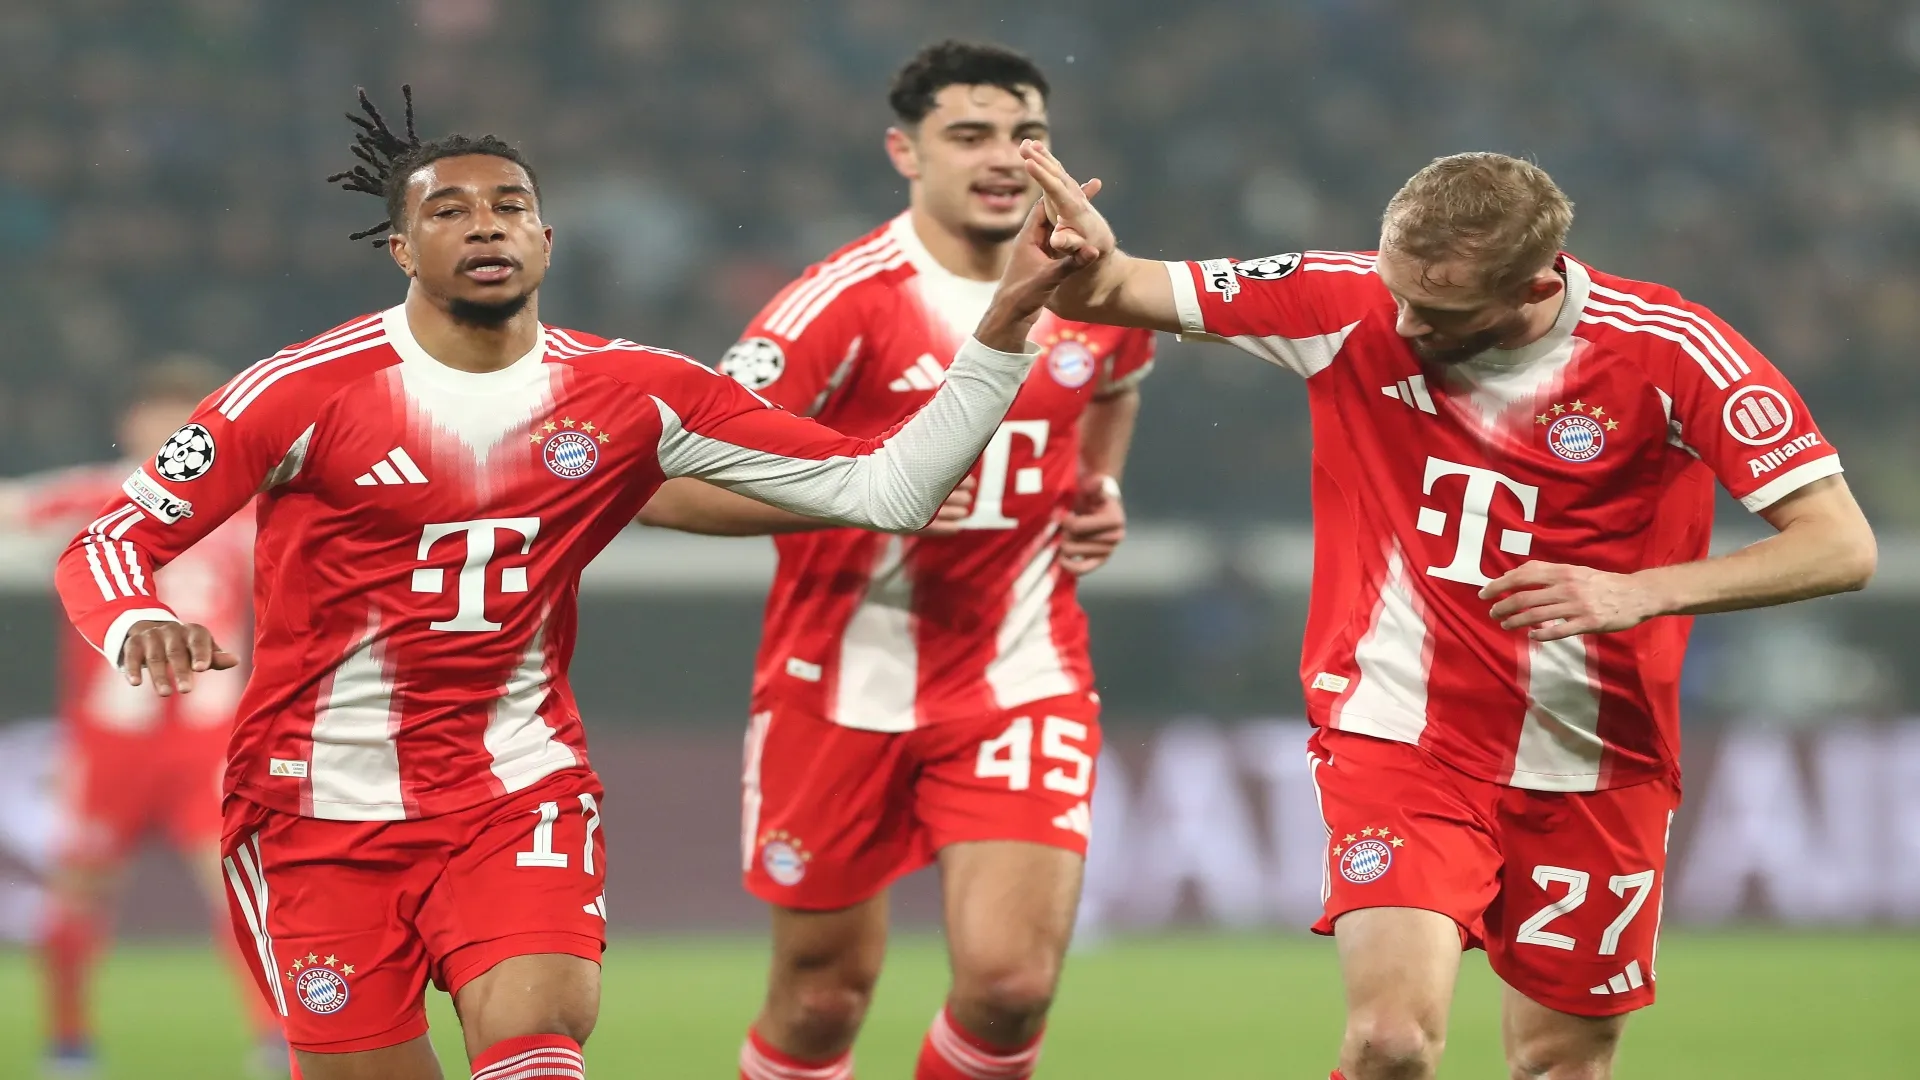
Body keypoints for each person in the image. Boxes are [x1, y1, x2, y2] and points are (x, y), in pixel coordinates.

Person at [50, 86, 1104, 1080]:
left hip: (515, 789)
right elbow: (106, 543)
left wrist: (1004, 324)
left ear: (547, 239)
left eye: (511, 205)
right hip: (315, 812)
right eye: (451, 210)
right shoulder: (300, 393)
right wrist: (135, 611)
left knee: (539, 1024)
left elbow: (887, 486)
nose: (487, 225)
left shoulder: (634, 392)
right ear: (400, 248)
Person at [1020, 143, 1877, 1080]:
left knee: (1563, 1064)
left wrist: (1644, 590)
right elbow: (1105, 294)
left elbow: (1840, 544)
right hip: (1400, 735)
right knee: (1391, 1043)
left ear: (1535, 282)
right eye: (1398, 290)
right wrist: (1086, 258)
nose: (1406, 321)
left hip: (1600, 757)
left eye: (1442, 310)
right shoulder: (1342, 299)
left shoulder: (1669, 350)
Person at [637, 41, 1154, 1080]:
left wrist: (1099, 488)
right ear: (905, 153)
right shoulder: (838, 305)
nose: (1005, 159)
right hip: (839, 683)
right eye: (970, 136)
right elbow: (664, 485)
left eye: (1028, 136)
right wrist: (861, 490)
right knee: (823, 1000)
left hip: (1021, 673)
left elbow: (1114, 382)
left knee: (1011, 987)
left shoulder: (1089, 277)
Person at [0, 358, 285, 1078]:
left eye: (180, 415)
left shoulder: (245, 504)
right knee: (80, 890)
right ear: (128, 424)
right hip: (111, 742)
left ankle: (273, 1040)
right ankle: (69, 1043)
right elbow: (12, 507)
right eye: (152, 414)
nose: (164, 428)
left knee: (241, 888)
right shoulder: (96, 496)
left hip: (209, 739)